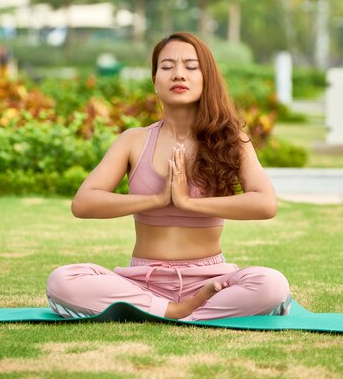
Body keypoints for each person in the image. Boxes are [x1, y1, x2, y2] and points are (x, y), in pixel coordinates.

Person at [47, 32, 291, 321]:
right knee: (63, 280)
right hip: (142, 281)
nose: (178, 74)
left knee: (271, 284)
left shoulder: (231, 140)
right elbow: (84, 203)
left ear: (206, 78)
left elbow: (265, 204)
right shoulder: (133, 140)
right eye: (167, 67)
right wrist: (156, 199)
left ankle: (158, 311)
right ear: (155, 80)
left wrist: (187, 203)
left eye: (190, 66)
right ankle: (176, 311)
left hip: (210, 282)